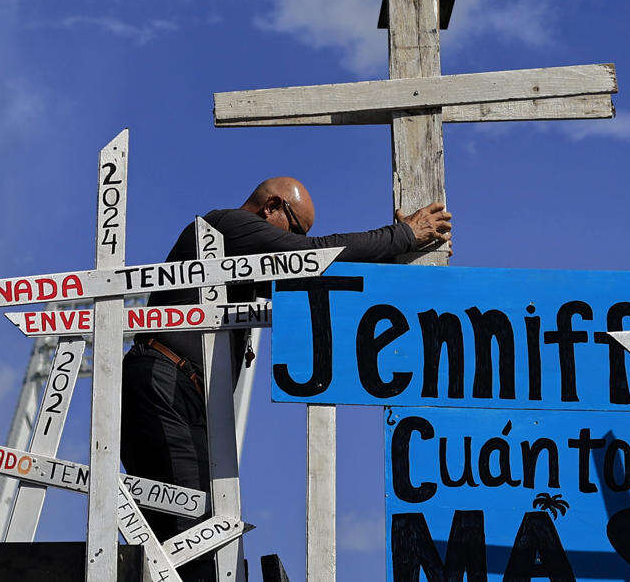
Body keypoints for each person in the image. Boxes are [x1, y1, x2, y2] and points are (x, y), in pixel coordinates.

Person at [120, 177, 450, 572]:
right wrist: (402, 234)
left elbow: (330, 277)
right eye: (295, 228)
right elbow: (310, 255)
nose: (295, 239)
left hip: (176, 390)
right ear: (271, 207)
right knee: (197, 535)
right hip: (166, 381)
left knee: (198, 537)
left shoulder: (241, 268)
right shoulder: (225, 225)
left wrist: (403, 254)